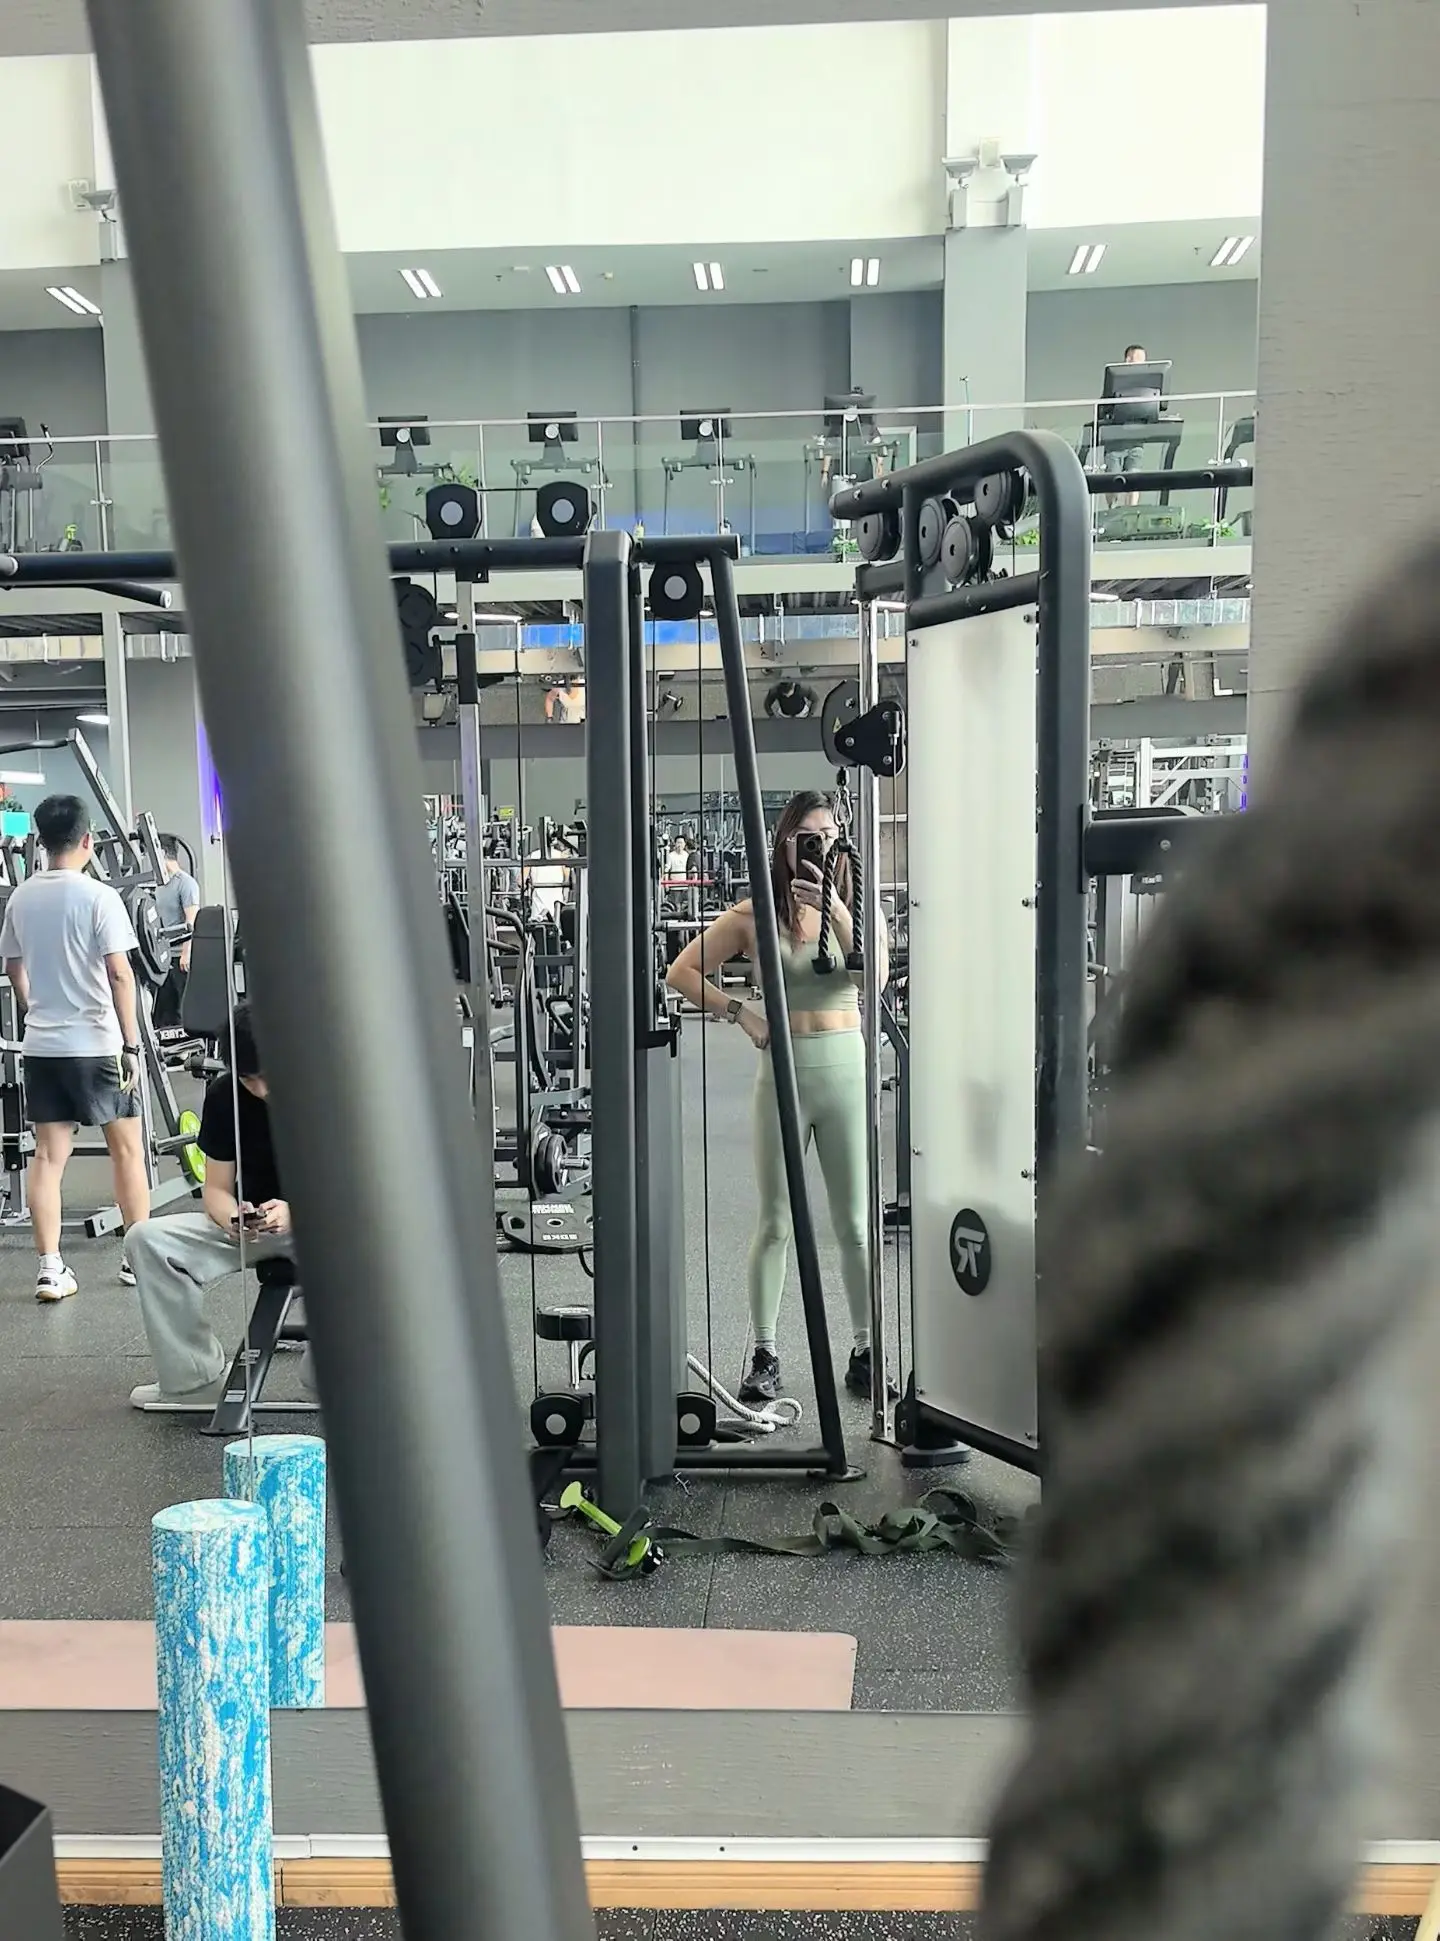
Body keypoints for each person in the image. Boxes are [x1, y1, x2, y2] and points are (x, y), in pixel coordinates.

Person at [666, 789, 888, 1404]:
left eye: (829, 837)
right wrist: (741, 1013)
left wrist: (838, 913)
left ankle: (866, 1349)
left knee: (855, 1223)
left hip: (844, 1069)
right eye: (807, 838)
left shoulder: (858, 909)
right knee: (774, 1222)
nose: (820, 847)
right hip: (783, 1074)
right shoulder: (754, 916)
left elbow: (876, 980)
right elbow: (680, 971)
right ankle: (764, 1353)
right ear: (785, 843)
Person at [0, 794, 150, 1301]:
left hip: (44, 1046)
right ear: (87, 840)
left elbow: (13, 967)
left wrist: (35, 1009)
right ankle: (137, 1261)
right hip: (99, 1045)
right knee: (126, 1150)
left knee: (47, 1157)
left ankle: (50, 1269)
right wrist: (132, 1044)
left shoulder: (21, 898)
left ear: (41, 840)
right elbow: (120, 974)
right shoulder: (99, 897)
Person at [126, 1001, 294, 1408]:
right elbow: (216, 1189)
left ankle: (348, 1374)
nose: (261, 1090)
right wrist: (233, 1217)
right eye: (249, 1079)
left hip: (332, 1230)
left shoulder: (333, 1089)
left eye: (268, 1076)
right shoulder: (224, 1096)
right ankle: (192, 1380)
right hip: (260, 1227)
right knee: (145, 1239)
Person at [151, 837, 200, 1031]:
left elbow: (191, 922)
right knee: (163, 1012)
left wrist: (186, 953)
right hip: (162, 957)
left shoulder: (186, 883)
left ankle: (186, 1046)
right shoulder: (160, 885)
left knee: (180, 1010)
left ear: (162, 853)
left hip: (180, 956)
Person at [1106, 344, 1152, 508]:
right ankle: (1112, 511)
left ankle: (1130, 513)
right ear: (1128, 360)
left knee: (1134, 478)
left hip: (1136, 437)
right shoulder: (1115, 381)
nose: (1142, 363)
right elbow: (1104, 405)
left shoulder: (1148, 385)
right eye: (1138, 359)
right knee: (1112, 480)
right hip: (1115, 438)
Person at [524, 831, 577, 926]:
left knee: (538, 931)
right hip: (556, 907)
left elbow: (520, 881)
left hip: (538, 907)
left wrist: (528, 885)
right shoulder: (562, 857)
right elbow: (568, 881)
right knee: (556, 931)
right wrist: (565, 896)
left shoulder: (531, 856)